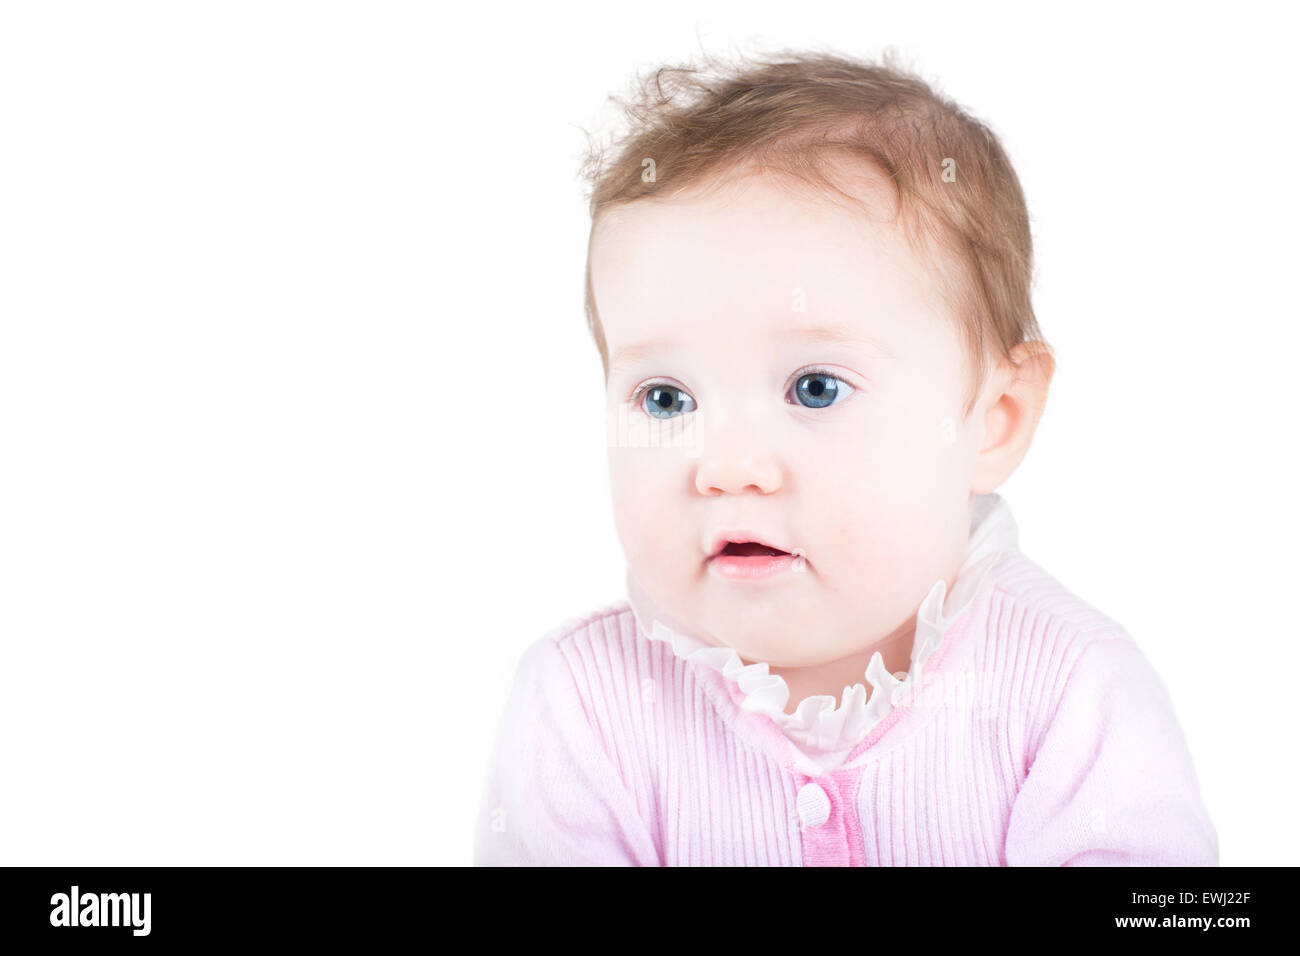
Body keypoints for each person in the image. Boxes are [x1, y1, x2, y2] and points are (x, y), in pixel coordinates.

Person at [473, 48, 1218, 866]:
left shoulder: (1072, 689)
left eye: (816, 388)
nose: (727, 467)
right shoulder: (581, 706)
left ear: (992, 420)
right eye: (666, 399)